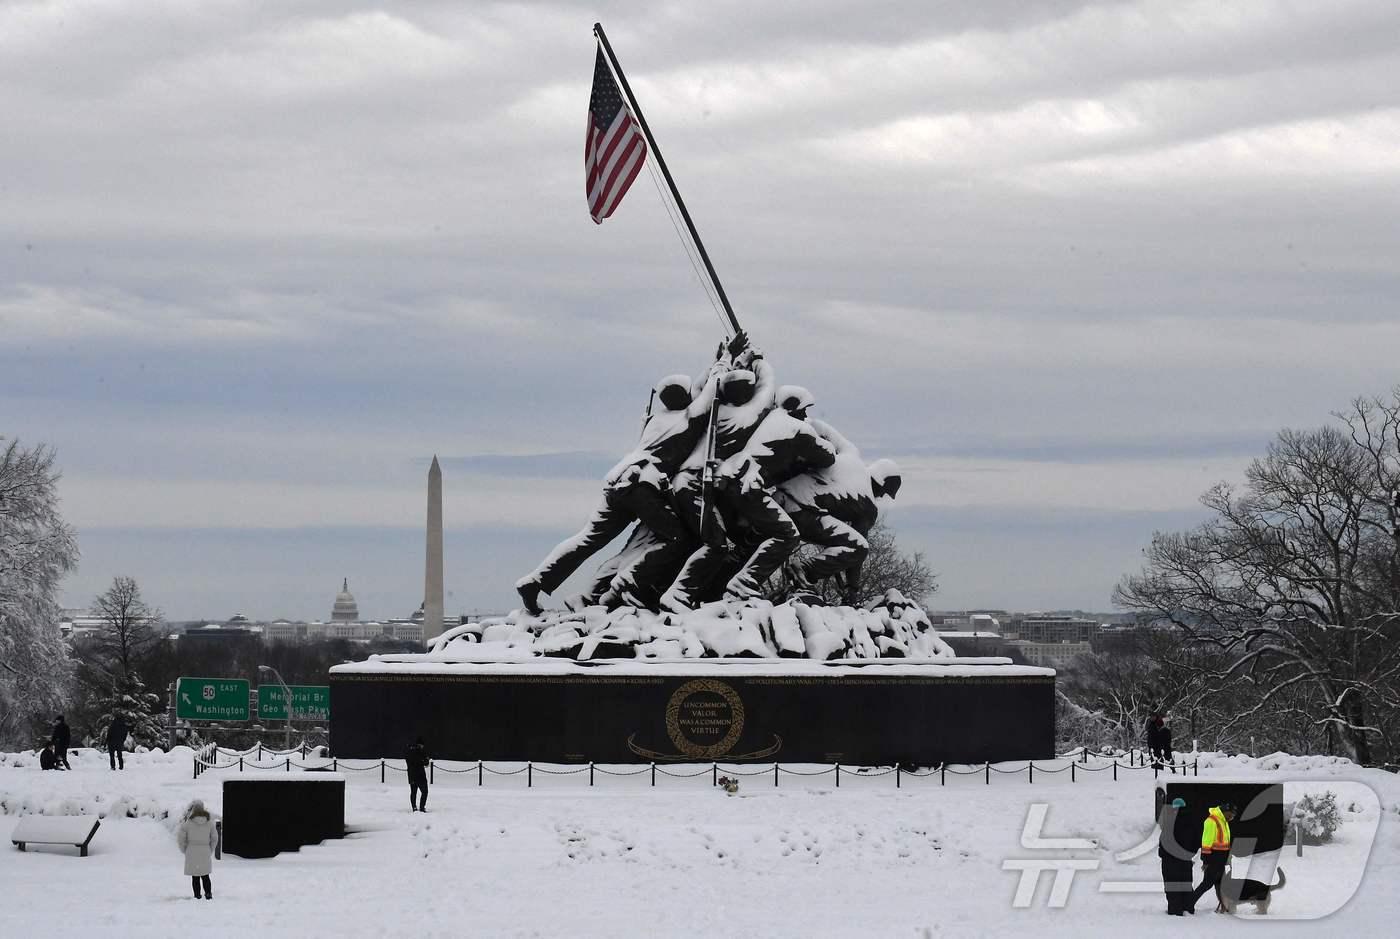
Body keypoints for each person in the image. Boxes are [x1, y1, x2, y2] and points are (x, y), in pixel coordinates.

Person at [515, 366, 723, 615]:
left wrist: (716, 362)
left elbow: (700, 390)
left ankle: (536, 581)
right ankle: (627, 584)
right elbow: (709, 393)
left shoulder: (657, 420)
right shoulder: (686, 419)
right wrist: (723, 365)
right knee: (678, 539)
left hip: (618, 481)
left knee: (588, 538)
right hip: (642, 486)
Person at [661, 385, 837, 610]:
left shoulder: (770, 423)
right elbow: (826, 456)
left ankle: (716, 589)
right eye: (803, 411)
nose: (806, 416)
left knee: (747, 543)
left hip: (735, 483)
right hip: (746, 486)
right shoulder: (792, 426)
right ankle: (742, 586)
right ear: (794, 409)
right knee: (787, 535)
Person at [1187, 801, 1236, 913]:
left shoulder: (1224, 821)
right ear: (1225, 811)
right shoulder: (1211, 821)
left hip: (1221, 859)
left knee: (1221, 885)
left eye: (1234, 815)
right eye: (1231, 814)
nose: (1232, 817)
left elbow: (1225, 842)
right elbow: (1206, 842)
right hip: (1213, 859)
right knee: (1207, 884)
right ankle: (1189, 904)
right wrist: (1206, 860)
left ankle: (1224, 906)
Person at [176, 799, 219, 900]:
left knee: (195, 876)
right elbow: (215, 838)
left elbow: (180, 838)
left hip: (191, 851)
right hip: (205, 850)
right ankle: (208, 893)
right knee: (205, 875)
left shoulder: (188, 823)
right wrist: (210, 849)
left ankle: (197, 895)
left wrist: (184, 850)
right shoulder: (209, 823)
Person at [1158, 797, 1193, 915]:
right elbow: (1194, 842)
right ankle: (1188, 908)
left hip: (1170, 861)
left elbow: (1164, 841)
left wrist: (1162, 854)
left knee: (1172, 885)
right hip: (1185, 860)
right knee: (1186, 885)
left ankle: (1175, 910)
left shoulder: (1169, 821)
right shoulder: (1190, 822)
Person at [406, 736, 430, 812]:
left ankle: (414, 807)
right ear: (420, 744)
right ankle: (422, 807)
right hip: (420, 774)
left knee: (413, 792)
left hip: (411, 774)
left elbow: (409, 761)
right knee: (425, 791)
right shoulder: (421, 751)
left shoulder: (409, 750)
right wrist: (425, 760)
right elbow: (425, 763)